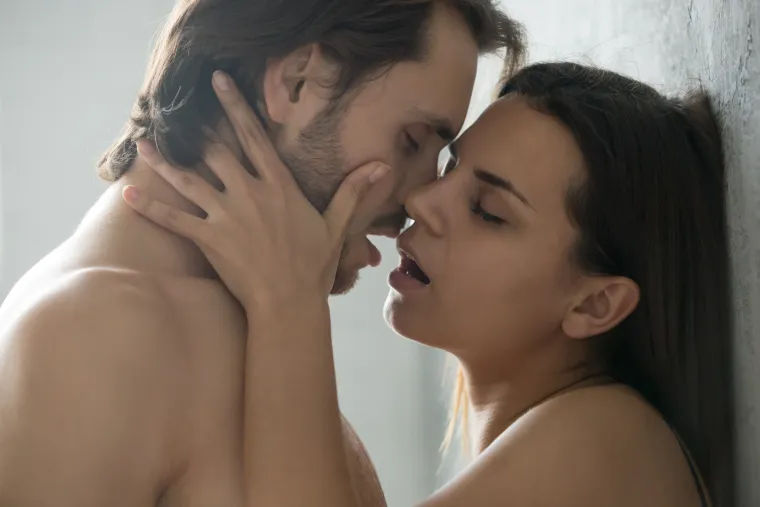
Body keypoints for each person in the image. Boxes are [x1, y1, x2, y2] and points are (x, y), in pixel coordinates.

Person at [126, 62, 734, 507]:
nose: (420, 200)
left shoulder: (610, 439)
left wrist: (287, 301)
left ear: (596, 303)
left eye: (487, 211)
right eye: (449, 168)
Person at [0, 1, 525, 506]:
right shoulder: (94, 333)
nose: (418, 198)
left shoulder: (258, 313)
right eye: (411, 141)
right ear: (296, 82)